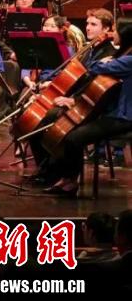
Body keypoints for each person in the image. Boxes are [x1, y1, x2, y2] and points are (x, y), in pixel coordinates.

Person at [44, 24, 132, 198]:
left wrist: (103, 62)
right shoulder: (125, 55)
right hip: (112, 112)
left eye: (116, 30)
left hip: (123, 117)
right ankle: (65, 177)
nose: (113, 33)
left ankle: (70, 180)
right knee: (68, 130)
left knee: (74, 137)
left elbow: (95, 68)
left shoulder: (129, 60)